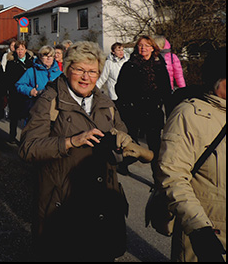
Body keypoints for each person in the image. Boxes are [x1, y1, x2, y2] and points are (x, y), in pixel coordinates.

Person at [18, 41, 152, 261]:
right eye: (79, 69)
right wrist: (71, 141)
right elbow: (28, 148)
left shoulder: (105, 102)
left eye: (92, 71)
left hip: (102, 206)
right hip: (62, 206)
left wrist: (123, 146)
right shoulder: (50, 100)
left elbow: (120, 139)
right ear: (67, 69)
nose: (85, 77)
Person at [156, 47, 226, 262]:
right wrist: (199, 230)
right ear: (218, 80)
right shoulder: (189, 114)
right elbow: (172, 176)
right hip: (206, 233)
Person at [115, 35, 172, 174]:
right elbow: (120, 88)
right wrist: (128, 103)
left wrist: (170, 112)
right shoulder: (130, 65)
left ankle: (157, 176)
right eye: (141, 45)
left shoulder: (159, 66)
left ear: (153, 48)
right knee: (132, 143)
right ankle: (124, 164)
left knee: (155, 146)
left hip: (153, 111)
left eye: (147, 45)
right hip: (134, 110)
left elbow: (166, 90)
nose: (143, 48)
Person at [15, 45, 62, 125]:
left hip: (53, 112)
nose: (48, 58)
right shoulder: (31, 71)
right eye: (45, 55)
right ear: (40, 57)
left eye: (51, 56)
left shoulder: (59, 73)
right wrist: (30, 91)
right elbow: (19, 85)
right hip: (36, 109)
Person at [3, 40, 34, 144]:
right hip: (14, 93)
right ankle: (12, 136)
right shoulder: (11, 62)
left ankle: (25, 138)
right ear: (15, 50)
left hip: (27, 93)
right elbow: (7, 78)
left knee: (27, 117)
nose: (20, 51)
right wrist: (7, 92)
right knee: (14, 117)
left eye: (22, 49)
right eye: (18, 49)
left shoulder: (31, 62)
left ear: (26, 49)